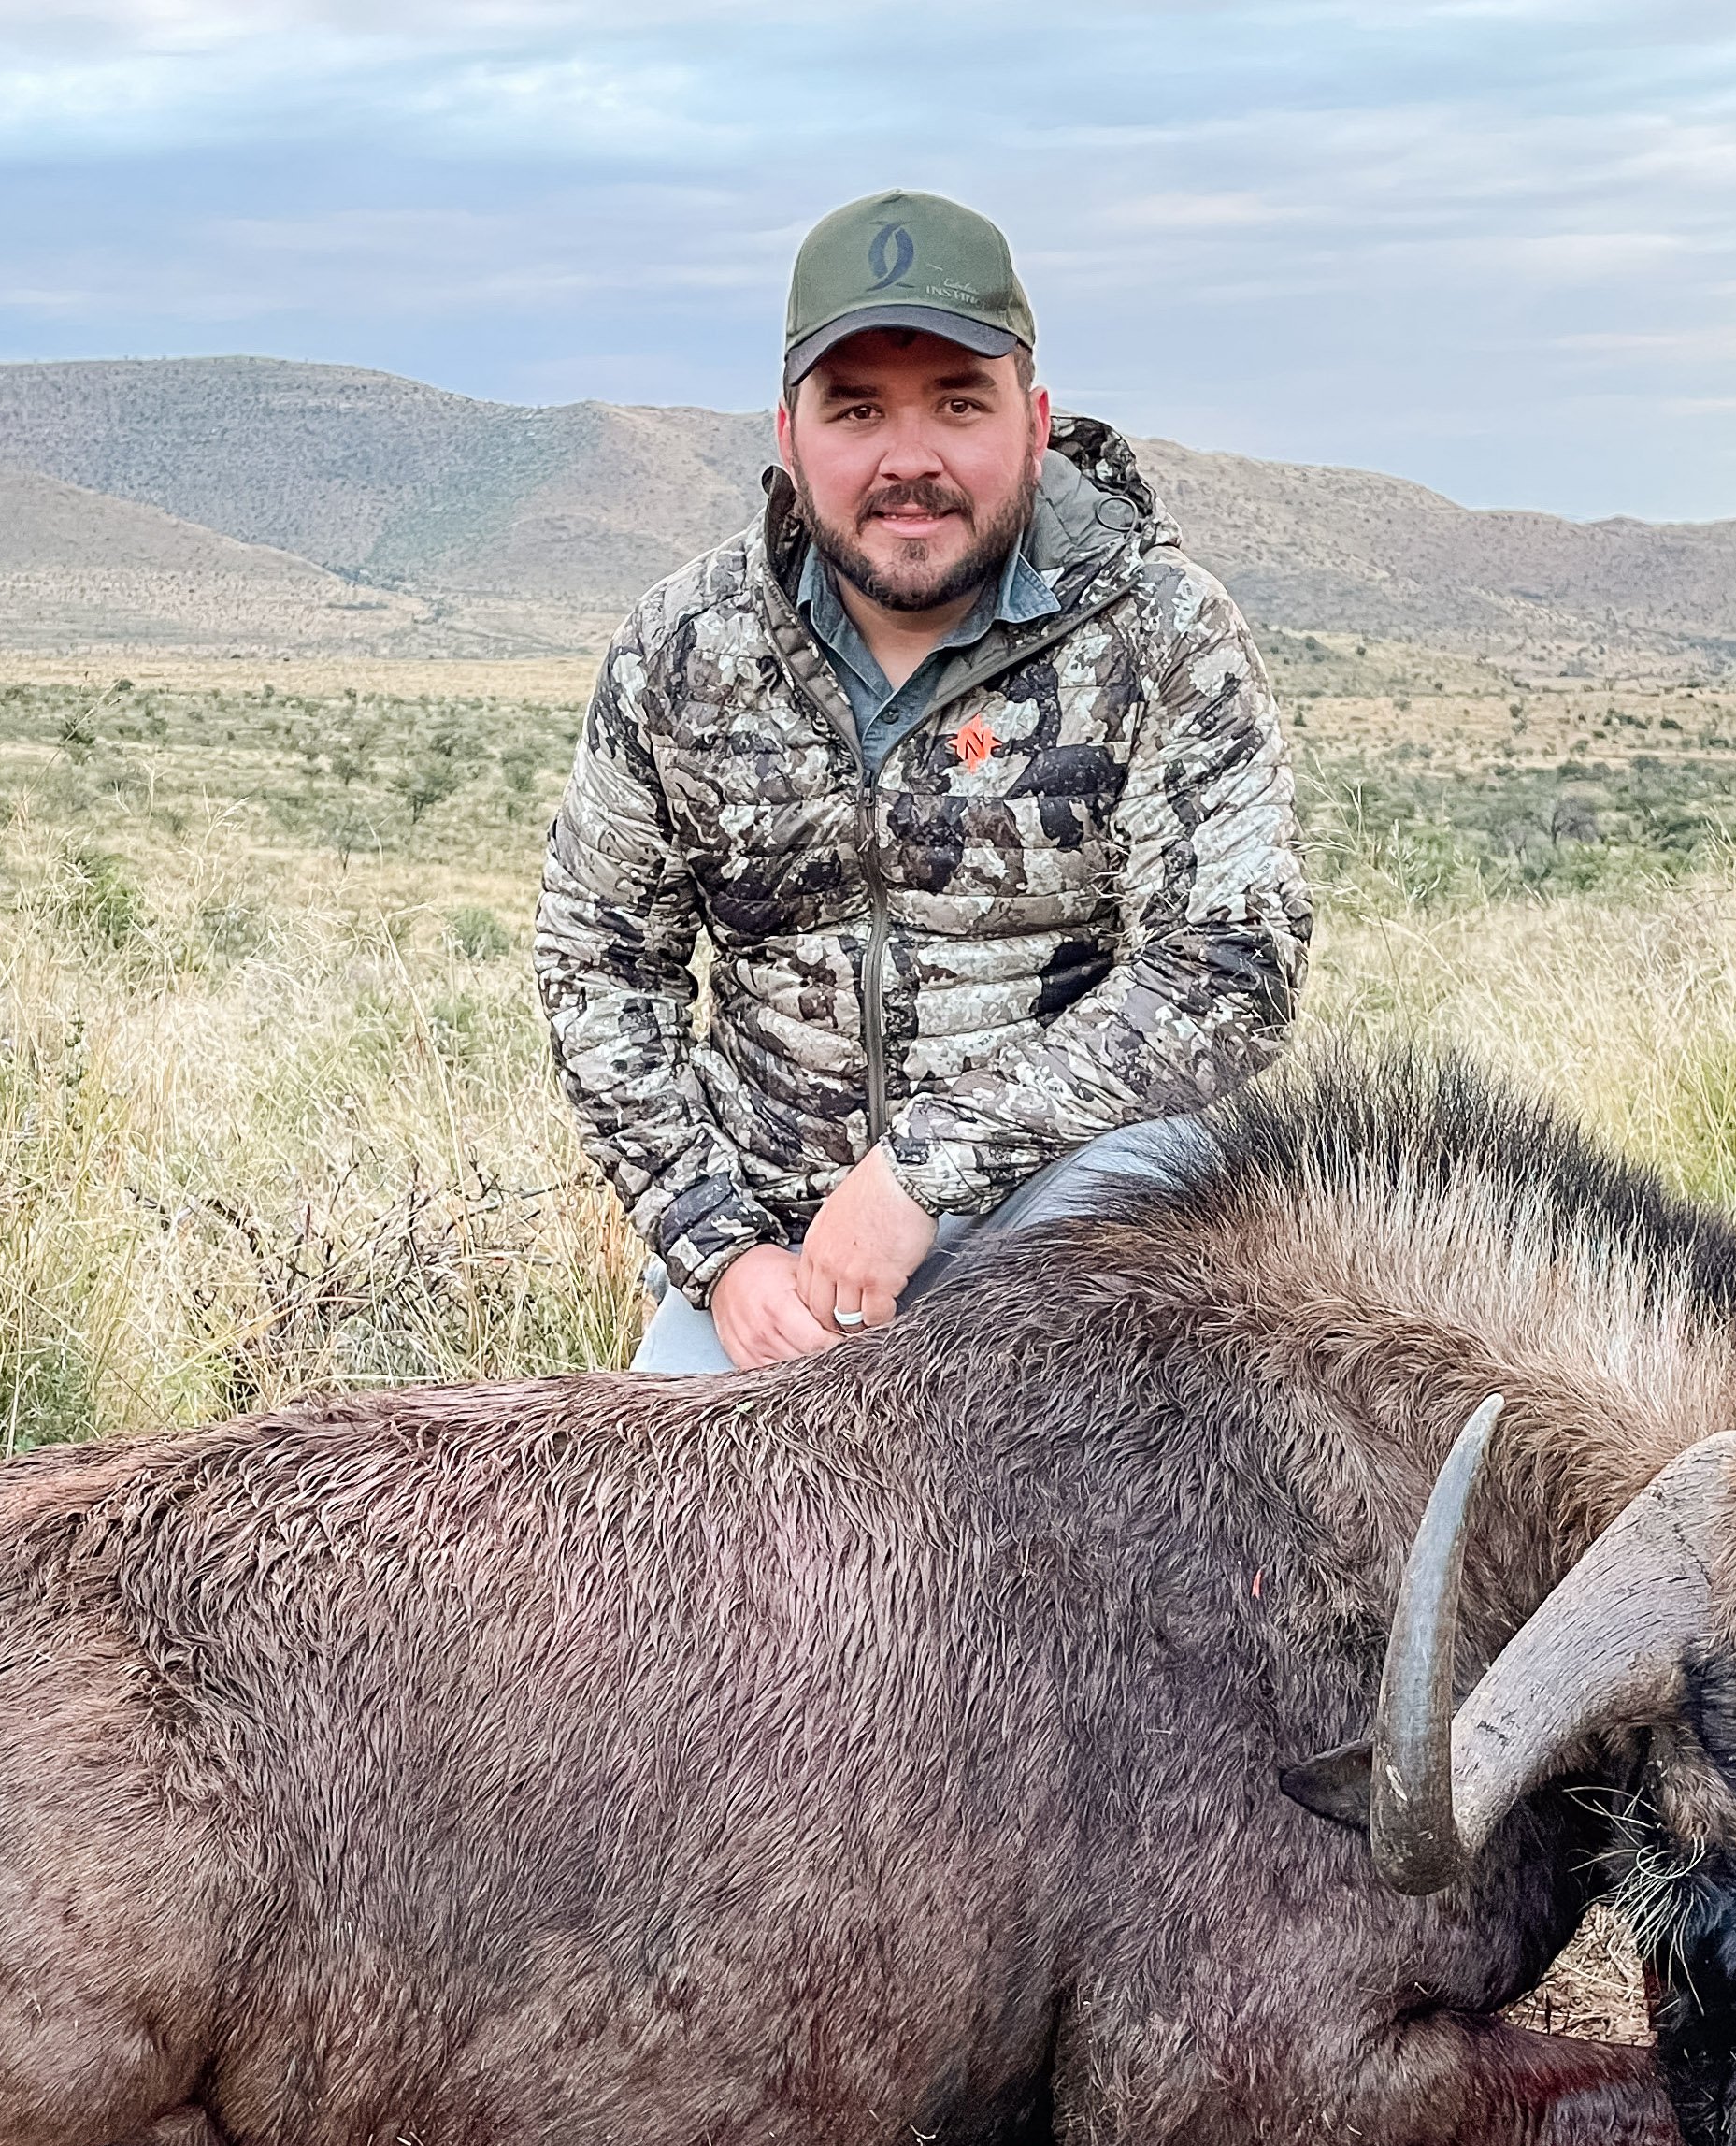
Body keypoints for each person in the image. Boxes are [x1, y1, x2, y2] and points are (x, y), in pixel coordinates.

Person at [536, 188, 1311, 1373]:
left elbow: (1230, 963)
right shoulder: (680, 650)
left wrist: (918, 1177)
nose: (909, 461)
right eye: (856, 411)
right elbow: (599, 966)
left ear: (1036, 419)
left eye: (958, 404)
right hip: (776, 1269)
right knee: (657, 1545)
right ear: (789, 438)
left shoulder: (1164, 633)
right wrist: (721, 1255)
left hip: (1086, 1238)